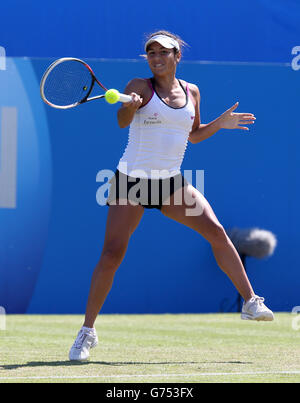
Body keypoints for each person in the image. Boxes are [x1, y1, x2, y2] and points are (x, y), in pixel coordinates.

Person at [69, 30, 274, 361]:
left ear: (177, 56)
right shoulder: (138, 86)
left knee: (218, 233)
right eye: (151, 53)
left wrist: (219, 124)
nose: (156, 57)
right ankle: (86, 332)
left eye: (164, 52)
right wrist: (131, 106)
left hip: (171, 183)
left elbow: (193, 136)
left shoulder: (192, 92)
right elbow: (122, 122)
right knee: (111, 255)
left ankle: (250, 302)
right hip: (131, 182)